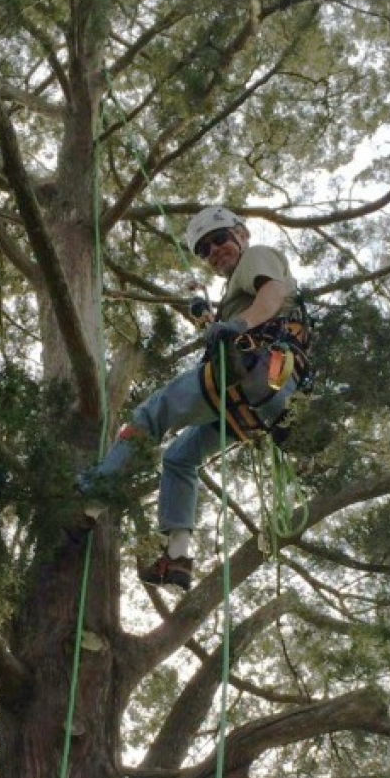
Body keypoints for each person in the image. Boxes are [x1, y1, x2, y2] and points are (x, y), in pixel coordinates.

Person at [76, 205, 312, 591]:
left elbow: (272, 293)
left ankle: (90, 498)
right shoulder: (236, 286)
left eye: (219, 239)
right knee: (179, 458)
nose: (214, 251)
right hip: (259, 400)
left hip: (251, 371)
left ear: (240, 233)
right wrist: (212, 315)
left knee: (150, 416)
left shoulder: (258, 255)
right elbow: (251, 311)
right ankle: (177, 558)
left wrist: (236, 324)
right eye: (204, 249)